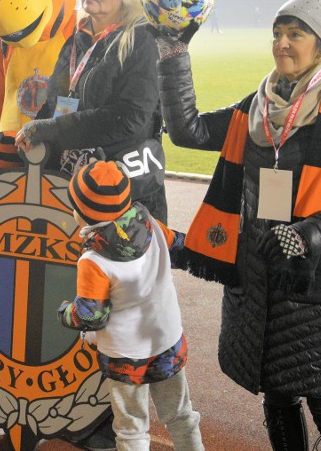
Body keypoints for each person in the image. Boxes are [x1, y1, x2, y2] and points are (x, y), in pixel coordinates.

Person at [155, 0, 321, 451]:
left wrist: (303, 237)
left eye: (295, 33)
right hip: (257, 280)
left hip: (316, 289)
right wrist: (174, 53)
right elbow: (188, 131)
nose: (282, 42)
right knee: (277, 397)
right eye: (277, 33)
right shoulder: (254, 109)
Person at [58, 160, 204, 451]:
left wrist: (64, 314)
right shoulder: (150, 223)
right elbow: (181, 247)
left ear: (83, 214)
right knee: (181, 413)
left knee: (131, 428)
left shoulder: (93, 260)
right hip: (167, 339)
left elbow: (92, 315)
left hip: (125, 353)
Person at [15, 0, 167, 224]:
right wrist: (35, 133)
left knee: (112, 267)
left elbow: (128, 119)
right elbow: (55, 102)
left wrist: (49, 129)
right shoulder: (78, 39)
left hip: (122, 193)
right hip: (72, 186)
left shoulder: (142, 40)